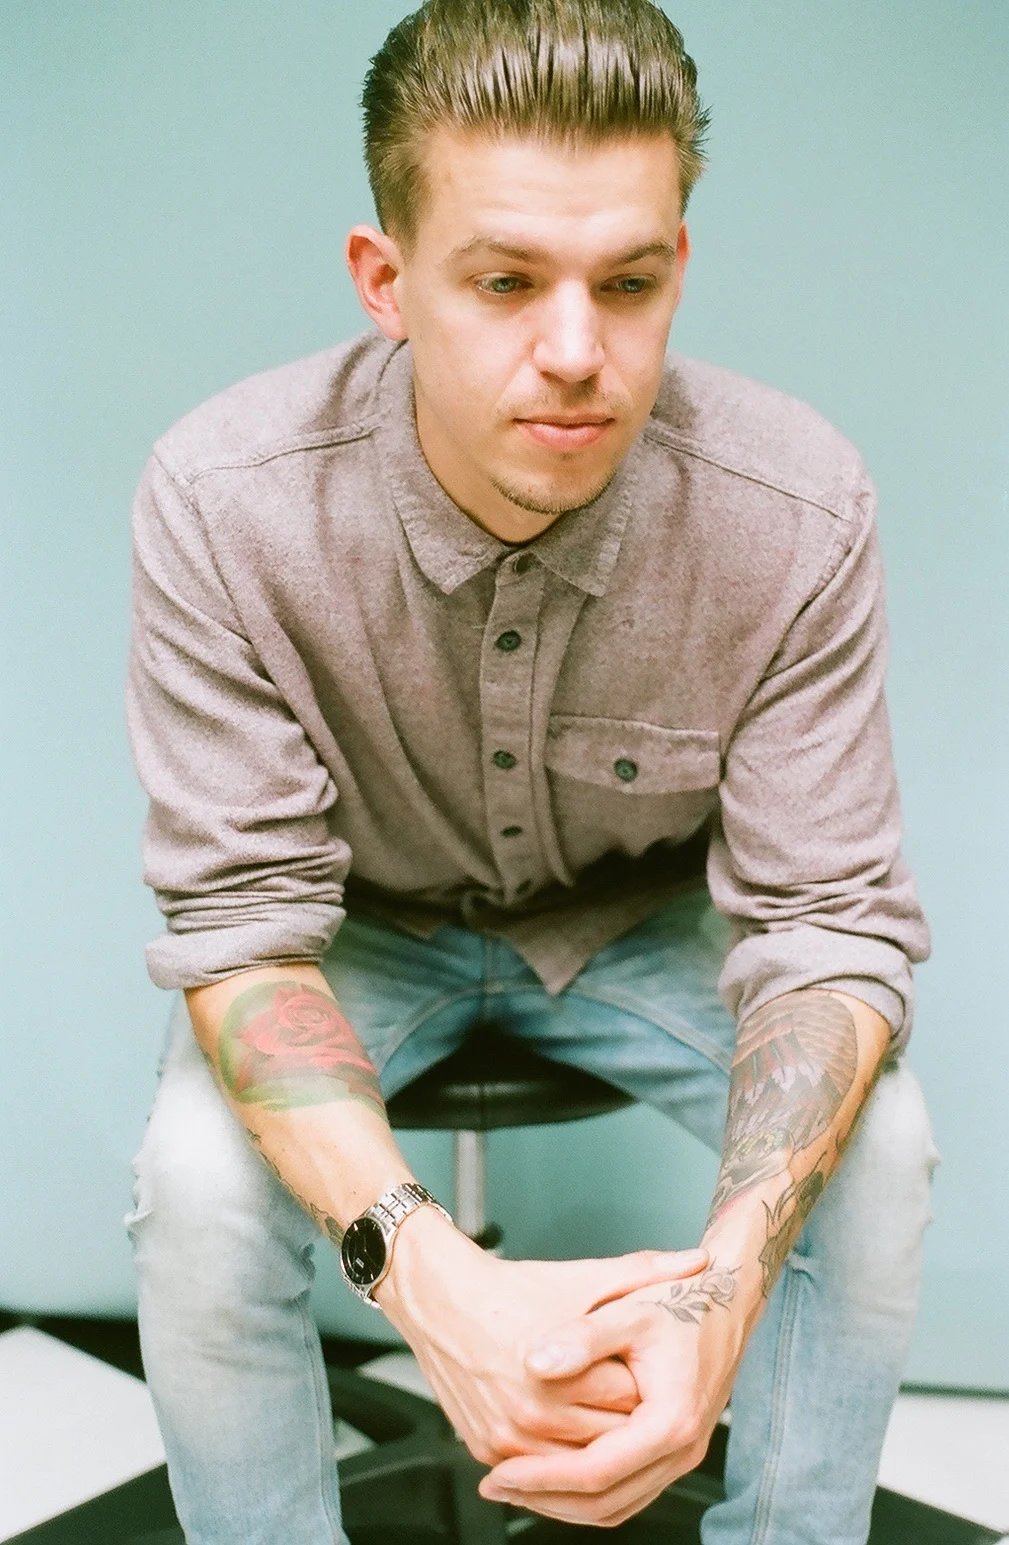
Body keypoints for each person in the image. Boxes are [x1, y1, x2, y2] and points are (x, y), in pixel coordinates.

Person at [124, 2, 939, 1541]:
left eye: (628, 284)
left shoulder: (798, 507)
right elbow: (239, 929)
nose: (577, 355)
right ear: (387, 281)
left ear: (678, 269)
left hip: (641, 927)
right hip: (349, 931)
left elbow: (831, 927)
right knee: (197, 1188)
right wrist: (428, 1280)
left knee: (882, 1145)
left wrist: (722, 1286)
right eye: (503, 282)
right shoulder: (224, 504)